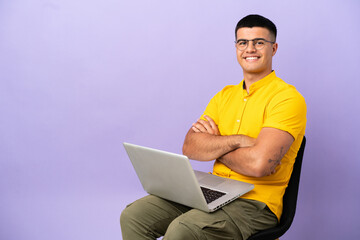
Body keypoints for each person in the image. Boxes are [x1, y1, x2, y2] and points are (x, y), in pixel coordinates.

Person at [120, 14, 307, 240]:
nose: (250, 49)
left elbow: (259, 165)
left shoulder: (286, 98)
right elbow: (190, 147)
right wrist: (237, 140)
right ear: (236, 47)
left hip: (255, 204)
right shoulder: (224, 96)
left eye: (259, 42)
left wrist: (216, 145)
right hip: (213, 191)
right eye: (242, 42)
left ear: (274, 48)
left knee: (183, 230)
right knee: (134, 216)